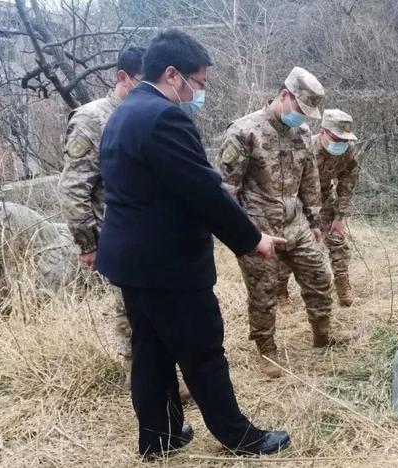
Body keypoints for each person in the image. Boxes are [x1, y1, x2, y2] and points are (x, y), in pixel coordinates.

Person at [96, 29, 290, 458]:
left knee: (151, 353)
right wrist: (251, 238)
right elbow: (202, 190)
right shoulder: (165, 118)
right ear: (172, 74)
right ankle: (238, 437)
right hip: (169, 267)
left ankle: (157, 438)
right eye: (198, 83)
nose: (198, 92)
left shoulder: (122, 114)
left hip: (132, 264)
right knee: (203, 351)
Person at [57, 47, 193, 396]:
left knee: (162, 310)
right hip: (115, 237)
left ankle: (162, 382)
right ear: (123, 78)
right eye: (141, 81)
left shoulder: (152, 114)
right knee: (133, 316)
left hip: (152, 236)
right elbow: (74, 187)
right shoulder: (92, 119)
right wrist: (87, 242)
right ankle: (150, 391)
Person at [218, 67, 340, 379]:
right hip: (257, 230)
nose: (302, 118)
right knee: (264, 292)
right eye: (300, 110)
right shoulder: (244, 132)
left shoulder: (300, 135)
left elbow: (309, 183)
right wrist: (242, 235)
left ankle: (323, 335)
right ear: (284, 96)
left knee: (320, 277)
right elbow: (226, 191)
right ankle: (267, 352)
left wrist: (313, 221)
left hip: (296, 225)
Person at [277, 109, 360, 308]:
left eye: (345, 139)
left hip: (324, 199)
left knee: (337, 239)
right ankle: (280, 291)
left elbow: (348, 184)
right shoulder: (302, 147)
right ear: (322, 132)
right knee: (289, 243)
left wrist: (339, 217)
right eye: (336, 138)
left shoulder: (348, 151)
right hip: (297, 202)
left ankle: (342, 284)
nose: (341, 143)